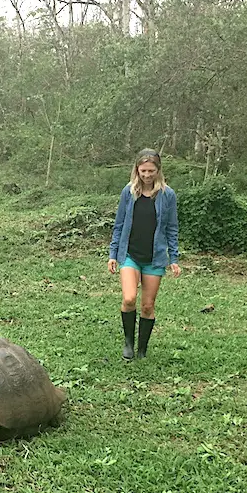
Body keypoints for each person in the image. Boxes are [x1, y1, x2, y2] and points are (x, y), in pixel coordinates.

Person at [108, 149, 181, 360]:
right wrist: (113, 254)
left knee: (148, 305)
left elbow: (172, 228)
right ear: (137, 170)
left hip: (155, 257)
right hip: (130, 254)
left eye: (151, 171)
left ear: (158, 171)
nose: (147, 175)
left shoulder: (168, 195)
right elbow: (119, 225)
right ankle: (128, 343)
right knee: (129, 298)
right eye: (143, 171)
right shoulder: (128, 192)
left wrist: (174, 258)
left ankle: (142, 349)